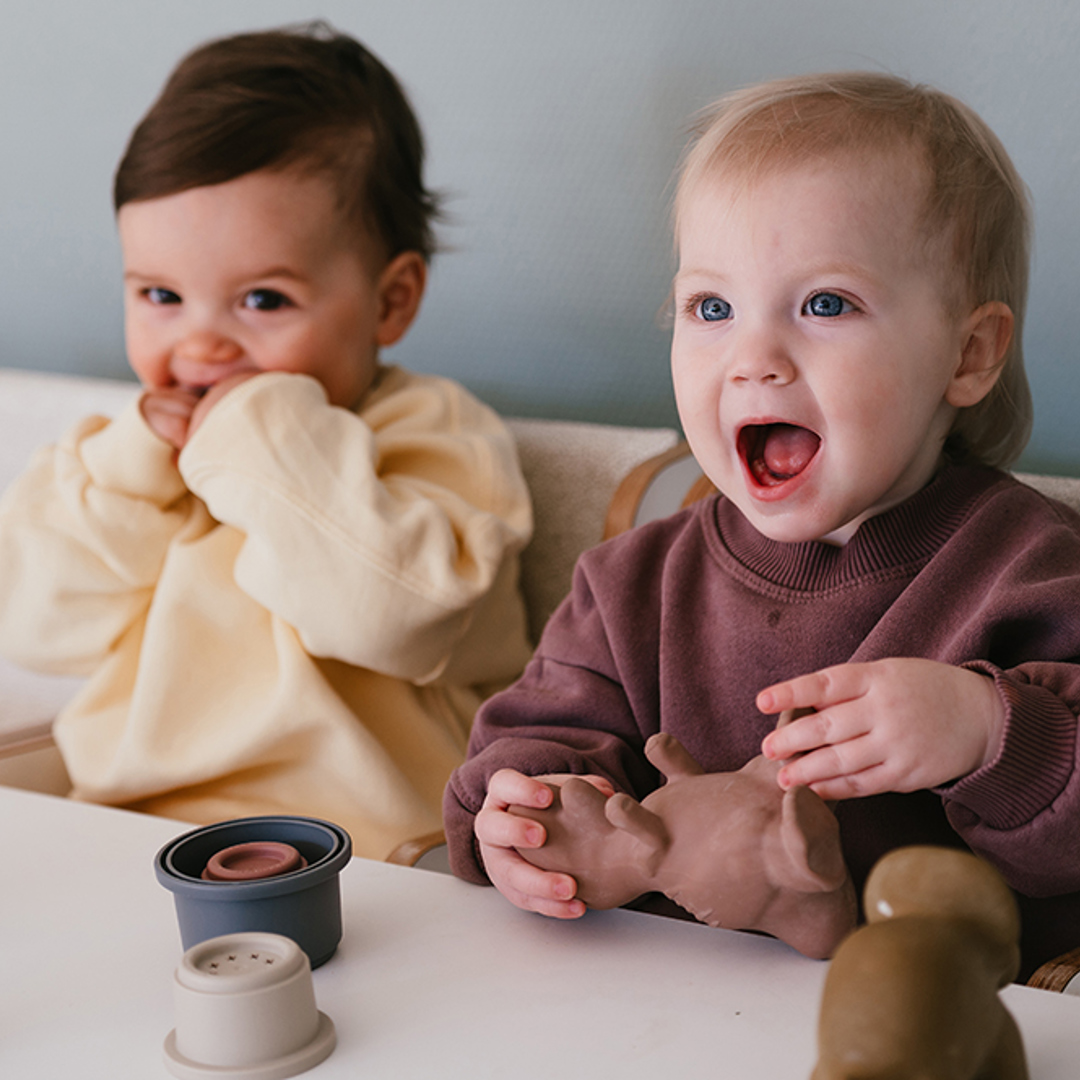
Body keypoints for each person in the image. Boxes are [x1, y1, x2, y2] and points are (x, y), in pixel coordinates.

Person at [443, 72, 1080, 979]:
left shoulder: (1027, 566)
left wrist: (988, 732)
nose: (752, 360)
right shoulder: (630, 585)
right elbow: (529, 747)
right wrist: (524, 813)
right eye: (711, 308)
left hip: (932, 1025)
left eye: (825, 305)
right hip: (662, 1012)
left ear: (967, 354)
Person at [0, 24, 534, 860]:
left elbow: (397, 619)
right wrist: (130, 478)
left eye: (262, 301)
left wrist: (258, 437)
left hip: (375, 849)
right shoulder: (115, 459)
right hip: (129, 827)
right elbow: (34, 627)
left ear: (390, 302)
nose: (203, 347)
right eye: (162, 294)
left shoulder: (432, 431)